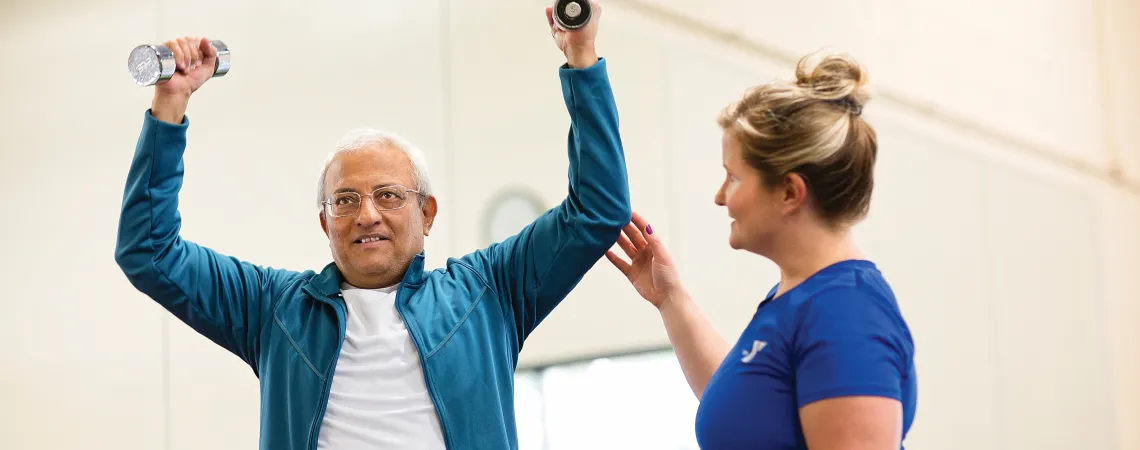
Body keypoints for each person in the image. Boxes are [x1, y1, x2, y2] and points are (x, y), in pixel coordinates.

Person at [114, 3, 630, 449]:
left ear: (427, 213)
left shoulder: (488, 293)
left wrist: (581, 59)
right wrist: (170, 104)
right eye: (345, 200)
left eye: (388, 196)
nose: (366, 214)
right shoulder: (273, 310)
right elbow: (149, 251)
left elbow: (597, 211)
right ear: (324, 222)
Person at [604, 51, 917, 449]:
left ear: (789, 192)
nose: (720, 197)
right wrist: (670, 299)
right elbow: (748, 405)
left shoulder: (845, 312)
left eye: (733, 177)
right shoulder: (801, 296)